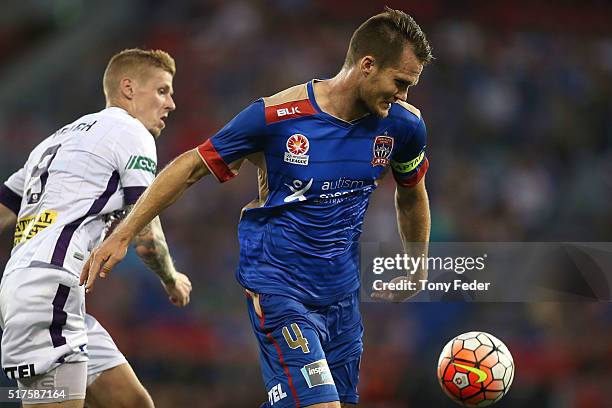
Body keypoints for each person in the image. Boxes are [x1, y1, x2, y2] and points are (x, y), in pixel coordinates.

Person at [82, 8, 432, 408]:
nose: (403, 95)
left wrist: (417, 263)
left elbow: (411, 192)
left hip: (341, 300)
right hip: (280, 287)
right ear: (368, 65)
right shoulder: (277, 116)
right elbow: (191, 166)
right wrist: (123, 234)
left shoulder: (404, 126)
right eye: (400, 82)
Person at [0, 48, 192, 408]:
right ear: (129, 88)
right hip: (48, 291)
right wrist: (171, 278)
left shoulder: (57, 139)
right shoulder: (131, 132)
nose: (171, 104)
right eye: (163, 90)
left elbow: (5, 206)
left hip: (46, 292)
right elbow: (146, 230)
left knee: (133, 402)